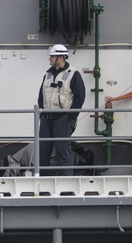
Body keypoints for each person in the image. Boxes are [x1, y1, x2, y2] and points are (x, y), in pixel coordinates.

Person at [37, 44, 85, 176]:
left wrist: (70, 117)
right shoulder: (47, 75)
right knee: (43, 151)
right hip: (47, 118)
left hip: (63, 118)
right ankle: (42, 182)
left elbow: (79, 98)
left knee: (62, 150)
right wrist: (41, 113)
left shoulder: (73, 74)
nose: (49, 59)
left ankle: (67, 184)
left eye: (52, 57)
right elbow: (41, 95)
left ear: (60, 58)